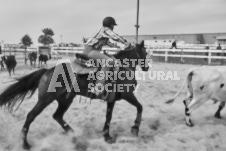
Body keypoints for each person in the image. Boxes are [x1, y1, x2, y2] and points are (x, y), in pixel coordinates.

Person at [83, 16, 130, 96]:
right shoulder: (105, 30)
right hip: (90, 51)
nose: (113, 27)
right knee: (109, 62)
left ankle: (109, 82)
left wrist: (122, 47)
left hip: (91, 50)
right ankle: (97, 88)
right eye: (113, 26)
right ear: (111, 25)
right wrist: (126, 43)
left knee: (112, 61)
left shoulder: (104, 34)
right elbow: (115, 37)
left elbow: (111, 43)